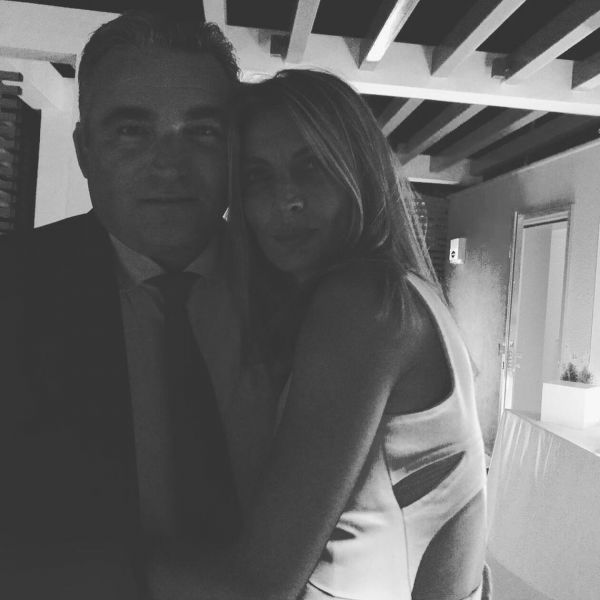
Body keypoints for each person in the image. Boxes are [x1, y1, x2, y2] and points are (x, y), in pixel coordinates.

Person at [146, 70, 487, 600]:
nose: (286, 200)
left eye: (312, 166)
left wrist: (67, 554)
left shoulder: (364, 301)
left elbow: (260, 586)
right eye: (258, 177)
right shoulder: (399, 294)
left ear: (359, 171)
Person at [0, 11, 242, 599]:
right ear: (84, 151)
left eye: (202, 131)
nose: (169, 164)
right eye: (132, 130)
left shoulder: (309, 293)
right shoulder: (12, 289)